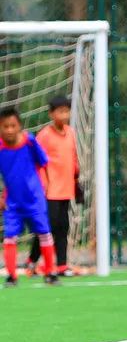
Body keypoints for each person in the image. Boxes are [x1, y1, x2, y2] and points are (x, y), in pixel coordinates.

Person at [0, 107, 59, 287]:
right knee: (9, 236)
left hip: (35, 198)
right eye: (5, 126)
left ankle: (50, 273)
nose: (9, 130)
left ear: (19, 126)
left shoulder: (29, 142)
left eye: (13, 125)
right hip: (12, 202)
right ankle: (11, 276)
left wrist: (48, 185)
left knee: (44, 233)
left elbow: (43, 162)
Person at [26, 96, 81, 277]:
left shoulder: (71, 133)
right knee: (47, 227)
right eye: (60, 111)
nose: (64, 115)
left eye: (66, 111)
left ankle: (62, 265)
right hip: (49, 190)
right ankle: (32, 261)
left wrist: (76, 180)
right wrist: (40, 185)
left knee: (63, 227)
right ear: (51, 114)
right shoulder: (45, 135)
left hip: (66, 189)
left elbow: (73, 159)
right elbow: (37, 162)